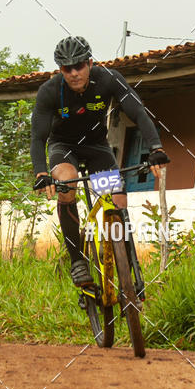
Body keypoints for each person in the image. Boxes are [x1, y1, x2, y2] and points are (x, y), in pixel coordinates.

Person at [31, 35, 169, 287]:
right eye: (66, 68)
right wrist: (41, 174)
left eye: (79, 66)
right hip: (65, 148)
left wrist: (155, 147)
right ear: (59, 69)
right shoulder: (49, 91)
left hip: (96, 147)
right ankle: (77, 261)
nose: (73, 73)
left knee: (116, 198)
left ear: (90, 63)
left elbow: (137, 111)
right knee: (66, 183)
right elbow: (38, 137)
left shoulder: (108, 79)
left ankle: (129, 265)